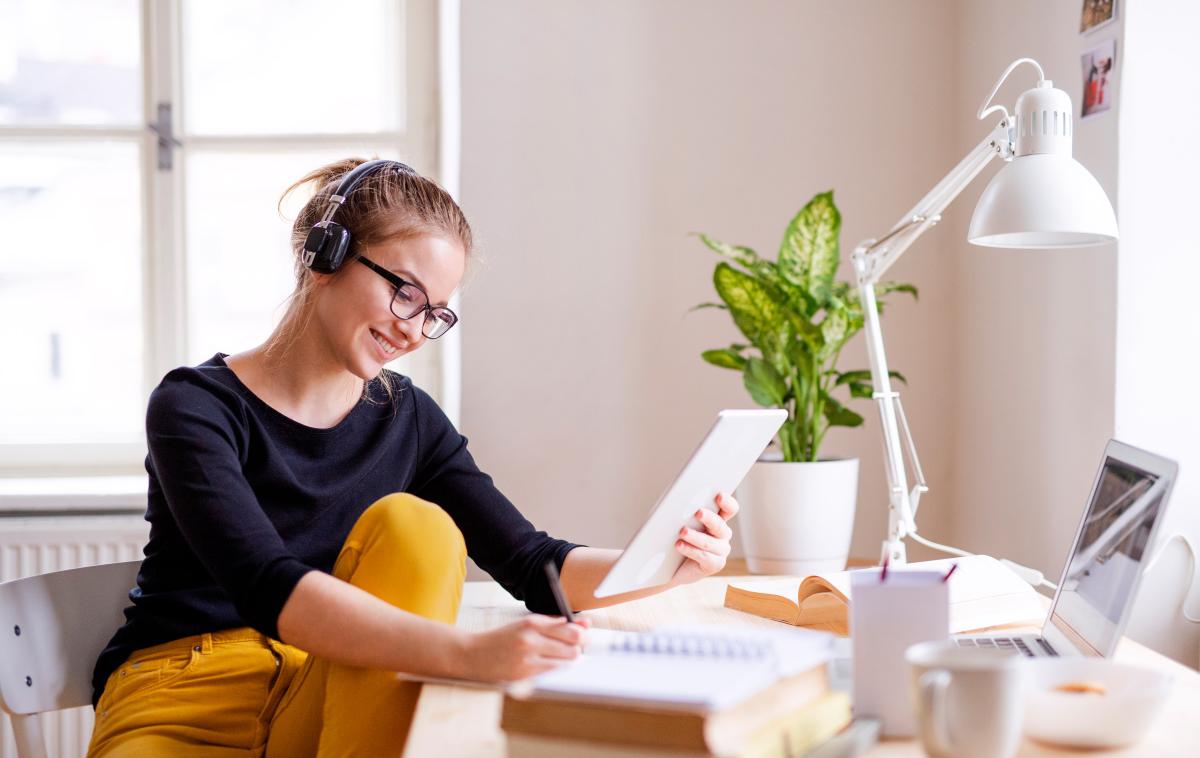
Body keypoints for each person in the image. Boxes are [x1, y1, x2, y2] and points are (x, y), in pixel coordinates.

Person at [86, 159, 740, 757]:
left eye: (435, 312)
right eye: (404, 291)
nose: (412, 327)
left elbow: (533, 564)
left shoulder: (409, 417)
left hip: (324, 686)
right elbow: (267, 583)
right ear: (326, 256)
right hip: (185, 691)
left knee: (417, 526)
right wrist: (468, 654)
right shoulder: (195, 407)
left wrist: (667, 563)